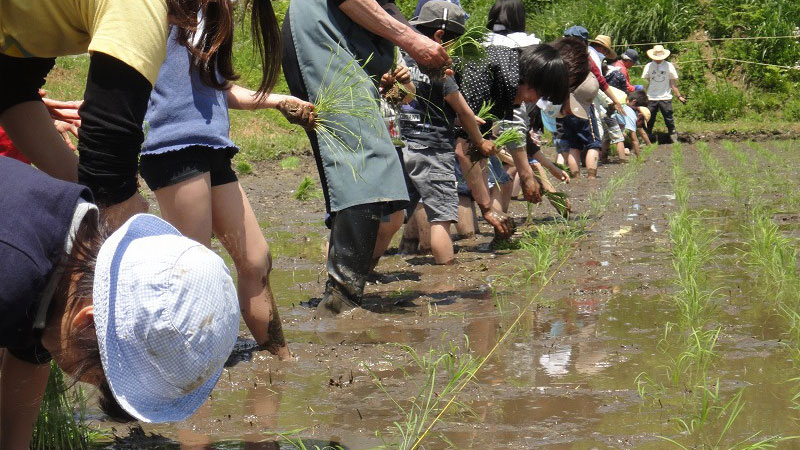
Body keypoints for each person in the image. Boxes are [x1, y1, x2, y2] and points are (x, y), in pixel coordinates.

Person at [0, 157, 240, 448]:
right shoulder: (11, 275)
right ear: (87, 321)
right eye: (104, 378)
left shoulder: (66, 255)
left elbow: (30, 349)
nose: (92, 384)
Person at [0, 0, 279, 229]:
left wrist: (90, 192)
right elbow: (107, 140)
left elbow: (12, 91)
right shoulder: (141, 6)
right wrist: (127, 216)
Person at [139, 24, 315, 359]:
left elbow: (216, 88)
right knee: (197, 271)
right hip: (174, 148)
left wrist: (277, 100)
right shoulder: (166, 12)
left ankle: (281, 359)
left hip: (213, 146)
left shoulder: (212, 21)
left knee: (256, 259)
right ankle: (193, 370)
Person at [281, 0, 451, 316]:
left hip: (350, 37)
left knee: (382, 178)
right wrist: (411, 39)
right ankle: (340, 304)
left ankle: (347, 295)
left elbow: (385, 8)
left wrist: (416, 46)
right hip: (325, 26)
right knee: (363, 161)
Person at [399, 1, 495, 265]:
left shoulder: (402, 62)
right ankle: (446, 275)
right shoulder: (440, 71)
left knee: (394, 214)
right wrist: (480, 140)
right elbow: (463, 111)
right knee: (441, 218)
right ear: (440, 37)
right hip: (435, 150)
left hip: (403, 147)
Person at [642, 44, 686, 143]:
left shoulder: (669, 66)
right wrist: (643, 96)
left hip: (665, 96)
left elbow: (672, 82)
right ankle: (646, 137)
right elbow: (646, 83)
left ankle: (673, 135)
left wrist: (679, 96)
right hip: (651, 97)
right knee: (649, 118)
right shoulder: (648, 66)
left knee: (669, 118)